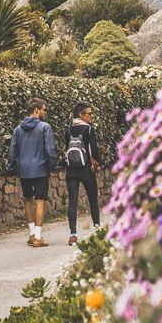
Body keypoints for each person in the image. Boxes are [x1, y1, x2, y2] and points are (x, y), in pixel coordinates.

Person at [7, 96, 58, 247]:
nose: (45, 112)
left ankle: (30, 234)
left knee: (28, 200)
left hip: (24, 170)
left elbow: (12, 151)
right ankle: (38, 236)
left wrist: (11, 169)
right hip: (40, 169)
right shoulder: (44, 127)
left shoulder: (17, 129)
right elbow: (50, 149)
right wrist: (53, 167)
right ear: (36, 110)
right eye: (44, 110)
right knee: (40, 201)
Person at [64, 101, 101, 245]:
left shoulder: (69, 129)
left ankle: (73, 235)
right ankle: (97, 229)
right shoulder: (88, 129)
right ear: (81, 114)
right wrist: (97, 163)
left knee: (73, 201)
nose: (91, 116)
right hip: (86, 169)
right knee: (93, 199)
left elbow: (67, 147)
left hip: (71, 170)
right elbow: (94, 150)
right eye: (89, 113)